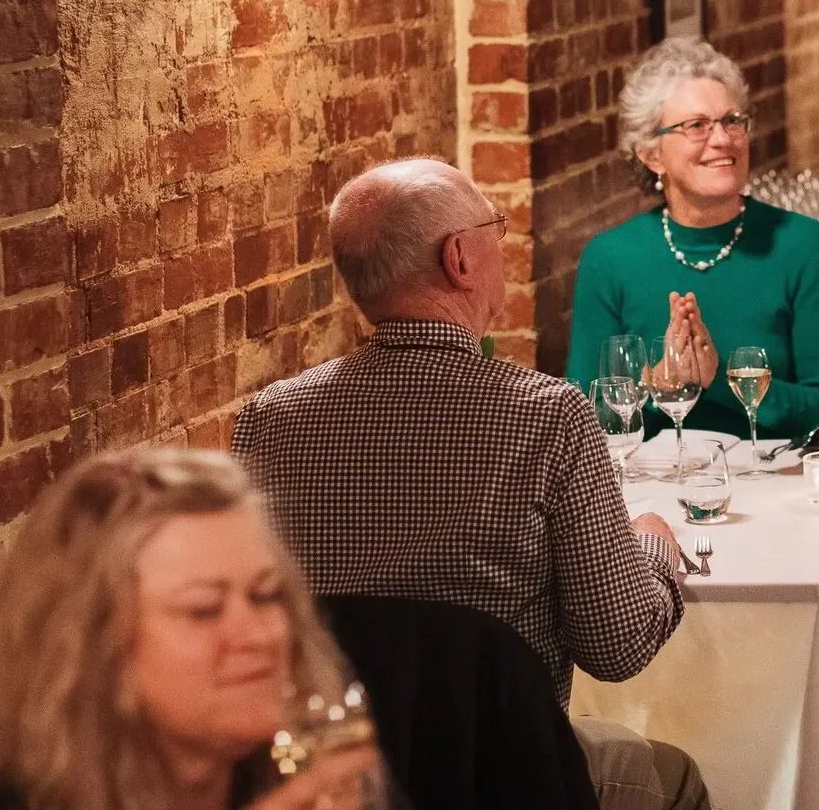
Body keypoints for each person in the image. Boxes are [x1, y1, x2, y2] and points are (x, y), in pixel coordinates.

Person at [234, 158, 707, 810]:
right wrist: (652, 546)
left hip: (332, 779)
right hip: (506, 775)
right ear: (458, 259)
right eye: (496, 228)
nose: (505, 244)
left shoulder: (268, 421)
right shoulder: (550, 417)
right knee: (674, 775)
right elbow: (617, 644)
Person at [0, 447, 380, 810]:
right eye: (204, 610)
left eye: (266, 596)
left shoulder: (304, 781)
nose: (260, 636)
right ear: (94, 644)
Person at [567, 37, 819, 440]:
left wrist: (718, 379)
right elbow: (584, 420)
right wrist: (658, 387)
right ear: (651, 154)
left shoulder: (802, 245)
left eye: (732, 121)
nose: (722, 139)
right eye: (697, 126)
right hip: (653, 489)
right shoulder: (609, 258)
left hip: (779, 485)